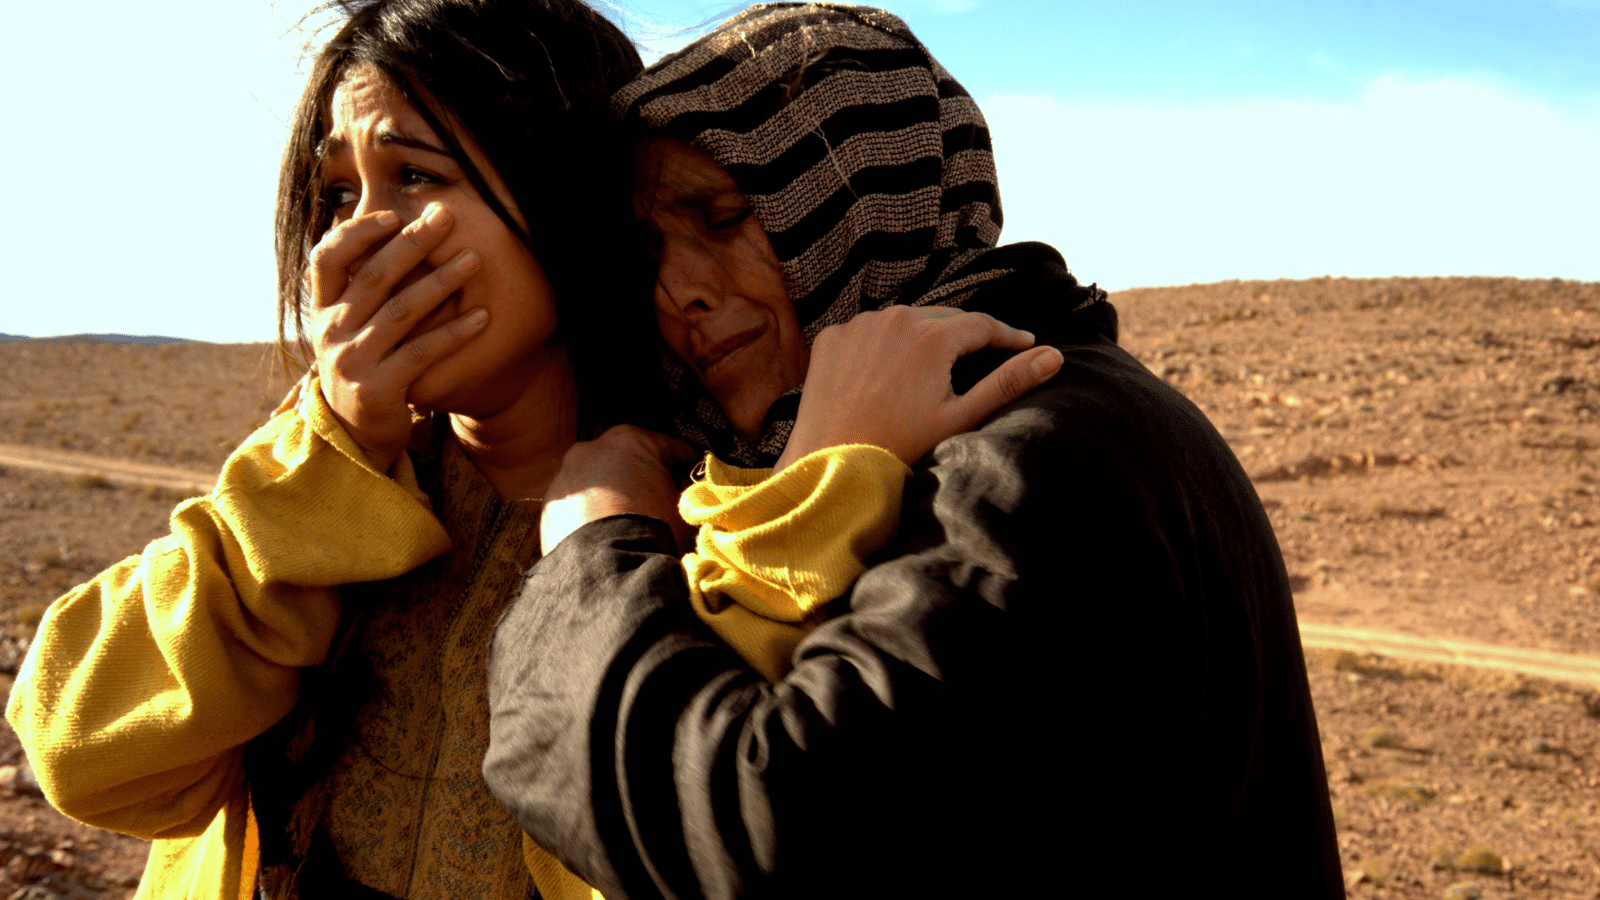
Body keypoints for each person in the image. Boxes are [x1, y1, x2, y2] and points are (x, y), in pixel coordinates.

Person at [483, 4, 1346, 899]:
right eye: (653, 249)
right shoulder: (1038, 413)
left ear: (866, 196)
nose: (677, 293)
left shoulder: (1019, 463)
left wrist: (596, 549)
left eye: (723, 217)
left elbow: (772, 835)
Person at [5, 1, 648, 897]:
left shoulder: (705, 515)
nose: (354, 237)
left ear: (567, 197)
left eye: (416, 175)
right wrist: (329, 457)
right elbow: (81, 752)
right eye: (339, 193)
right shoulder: (325, 480)